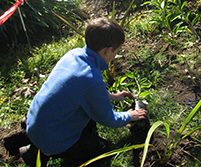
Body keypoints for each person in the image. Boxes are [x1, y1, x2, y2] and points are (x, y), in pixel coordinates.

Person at [19, 17, 148, 167]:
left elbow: (79, 91)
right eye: (117, 51)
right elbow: (108, 119)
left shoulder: (74, 55)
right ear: (108, 51)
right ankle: (38, 155)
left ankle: (32, 150)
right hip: (50, 136)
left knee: (83, 124)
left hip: (37, 120)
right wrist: (129, 116)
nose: (115, 56)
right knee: (100, 150)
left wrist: (113, 96)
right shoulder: (90, 78)